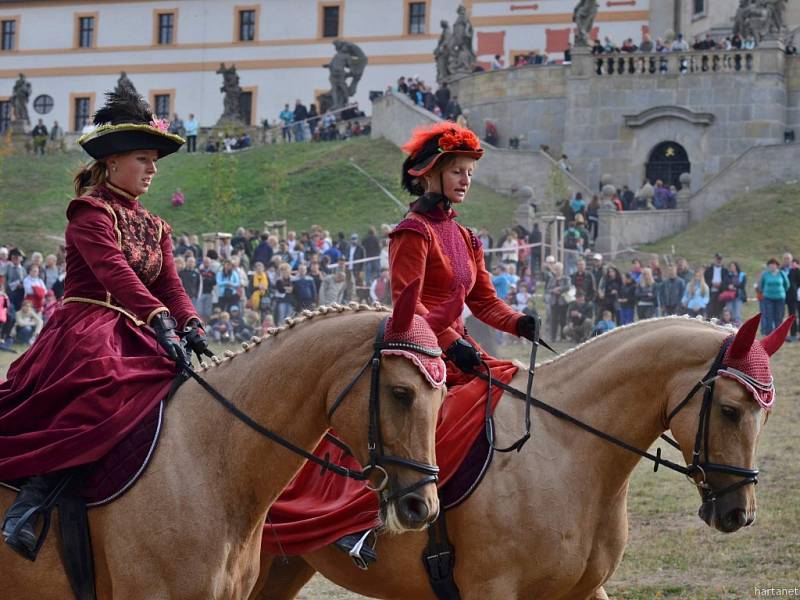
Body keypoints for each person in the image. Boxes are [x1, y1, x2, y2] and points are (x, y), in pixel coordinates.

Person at [0, 88, 205, 560]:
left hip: (138, 329)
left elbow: (169, 285)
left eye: (155, 160)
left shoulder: (157, 226)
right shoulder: (89, 212)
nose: (152, 170)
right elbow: (116, 273)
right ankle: (32, 500)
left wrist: (189, 321)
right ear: (112, 162)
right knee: (103, 380)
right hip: (89, 326)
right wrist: (158, 319)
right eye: (143, 158)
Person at [757, 258, 789, 335]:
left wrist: (781, 292)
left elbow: (787, 284)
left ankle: (779, 334)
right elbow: (761, 285)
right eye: (770, 265)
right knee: (769, 316)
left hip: (780, 299)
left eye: (773, 265)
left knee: (779, 316)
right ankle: (769, 334)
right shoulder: (765, 274)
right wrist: (764, 292)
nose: (772, 267)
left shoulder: (781, 273)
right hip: (768, 298)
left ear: (777, 266)